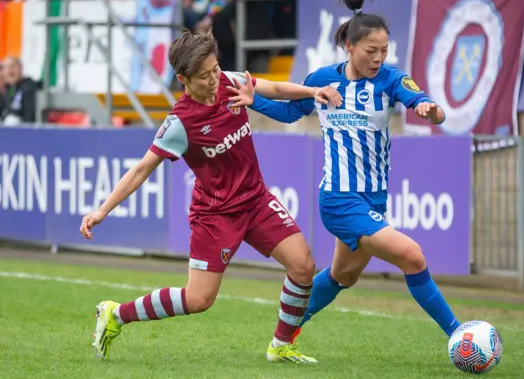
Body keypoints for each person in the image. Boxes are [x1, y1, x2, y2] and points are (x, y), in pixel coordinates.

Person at [80, 29, 342, 363]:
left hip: (256, 201)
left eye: (216, 69)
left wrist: (311, 90)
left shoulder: (229, 81)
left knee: (303, 266)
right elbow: (142, 169)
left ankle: (281, 345)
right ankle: (115, 314)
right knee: (199, 300)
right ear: (183, 79)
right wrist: (102, 211)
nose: (214, 79)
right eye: (204, 76)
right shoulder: (180, 123)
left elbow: (274, 88)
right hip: (216, 216)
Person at [228, 0, 463, 352]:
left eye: (384, 51)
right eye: (371, 51)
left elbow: (419, 98)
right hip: (339, 199)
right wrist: (252, 100)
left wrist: (431, 110)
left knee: (343, 275)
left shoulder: (390, 79)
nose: (378, 58)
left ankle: (283, 334)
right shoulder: (323, 79)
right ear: (350, 47)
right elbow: (292, 112)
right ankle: (460, 335)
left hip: (373, 198)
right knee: (413, 256)